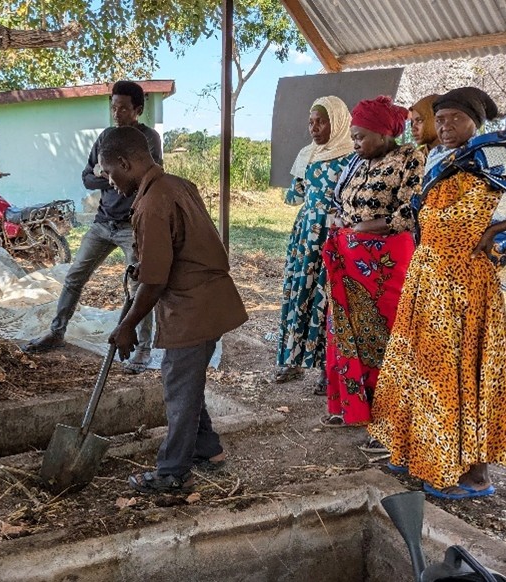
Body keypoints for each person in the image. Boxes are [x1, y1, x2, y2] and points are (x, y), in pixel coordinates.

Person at [369, 87, 506, 499]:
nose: (446, 126)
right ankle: (421, 450)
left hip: (464, 281)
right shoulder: (438, 157)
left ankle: (473, 474)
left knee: (460, 372)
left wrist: (497, 229)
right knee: (422, 368)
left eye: (454, 119)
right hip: (428, 274)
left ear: (474, 123)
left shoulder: (491, 155)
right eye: (441, 118)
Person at [102, 126, 248, 494]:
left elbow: (155, 280)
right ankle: (207, 449)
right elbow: (178, 249)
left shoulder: (152, 204)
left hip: (191, 306)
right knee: (186, 381)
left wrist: (128, 325)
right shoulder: (178, 185)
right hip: (209, 301)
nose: (109, 181)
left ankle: (171, 472)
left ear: (124, 163)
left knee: (179, 388)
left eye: (108, 172)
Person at [23, 81, 161, 375]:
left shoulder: (149, 139)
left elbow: (149, 178)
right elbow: (87, 178)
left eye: (123, 108)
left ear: (137, 109)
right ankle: (56, 332)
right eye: (113, 107)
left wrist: (106, 171)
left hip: (131, 226)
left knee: (140, 286)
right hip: (103, 222)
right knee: (74, 276)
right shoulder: (106, 137)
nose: (117, 113)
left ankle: (143, 349)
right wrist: (112, 174)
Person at [320, 96, 425, 442]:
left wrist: (369, 227)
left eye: (362, 136)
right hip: (348, 259)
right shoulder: (354, 162)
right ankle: (352, 406)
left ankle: (386, 414)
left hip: (385, 262)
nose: (355, 143)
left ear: (384, 134)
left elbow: (412, 209)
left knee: (384, 335)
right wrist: (343, 226)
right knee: (346, 331)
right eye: (353, 136)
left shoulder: (408, 158)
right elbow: (339, 202)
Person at [274, 96, 354, 391]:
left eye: (321, 121)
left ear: (338, 121)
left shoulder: (351, 156)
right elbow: (294, 196)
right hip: (306, 234)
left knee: (328, 298)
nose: (314, 128)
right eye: (311, 122)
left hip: (334, 234)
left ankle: (326, 369)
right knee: (300, 295)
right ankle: (293, 360)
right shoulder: (307, 154)